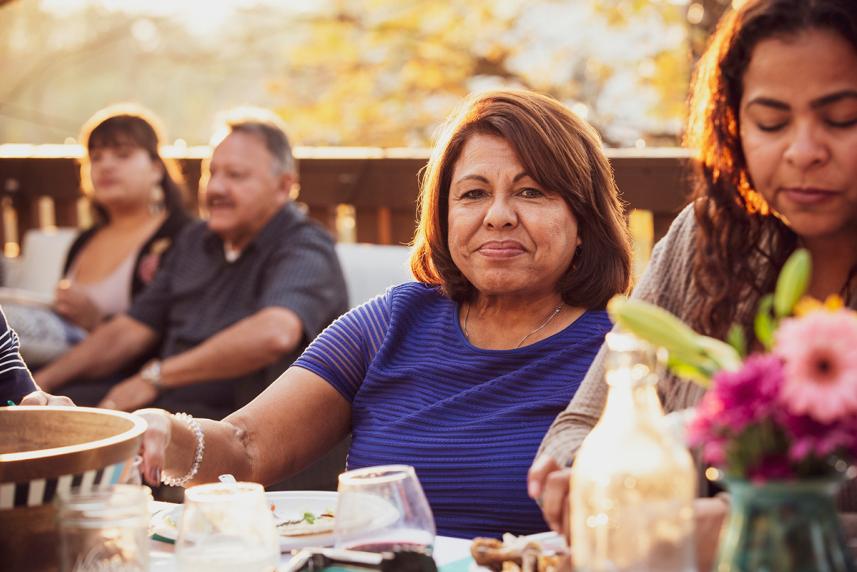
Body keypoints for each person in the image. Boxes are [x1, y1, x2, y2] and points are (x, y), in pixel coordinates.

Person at [134, 89, 633, 539]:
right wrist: (154, 431)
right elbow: (245, 447)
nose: (497, 214)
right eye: (473, 193)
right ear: (442, 215)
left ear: (583, 219)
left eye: (531, 192)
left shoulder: (624, 354)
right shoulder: (391, 322)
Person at [528, 0, 857, 564]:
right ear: (734, 123)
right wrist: (580, 473)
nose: (803, 152)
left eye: (843, 117)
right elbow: (583, 422)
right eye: (771, 122)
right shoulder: (709, 237)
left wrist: (754, 524)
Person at [35, 107, 349, 420]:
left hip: (246, 425)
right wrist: (38, 384)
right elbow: (130, 330)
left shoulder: (304, 245)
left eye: (236, 176)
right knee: (52, 415)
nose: (216, 189)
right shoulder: (194, 241)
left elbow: (275, 333)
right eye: (212, 173)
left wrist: (156, 376)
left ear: (283, 186)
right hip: (167, 409)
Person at [4, 105, 191, 366]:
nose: (106, 165)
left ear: (157, 168)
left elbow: (175, 335)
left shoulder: (181, 237)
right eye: (96, 157)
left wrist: (97, 321)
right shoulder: (83, 241)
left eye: (122, 155)